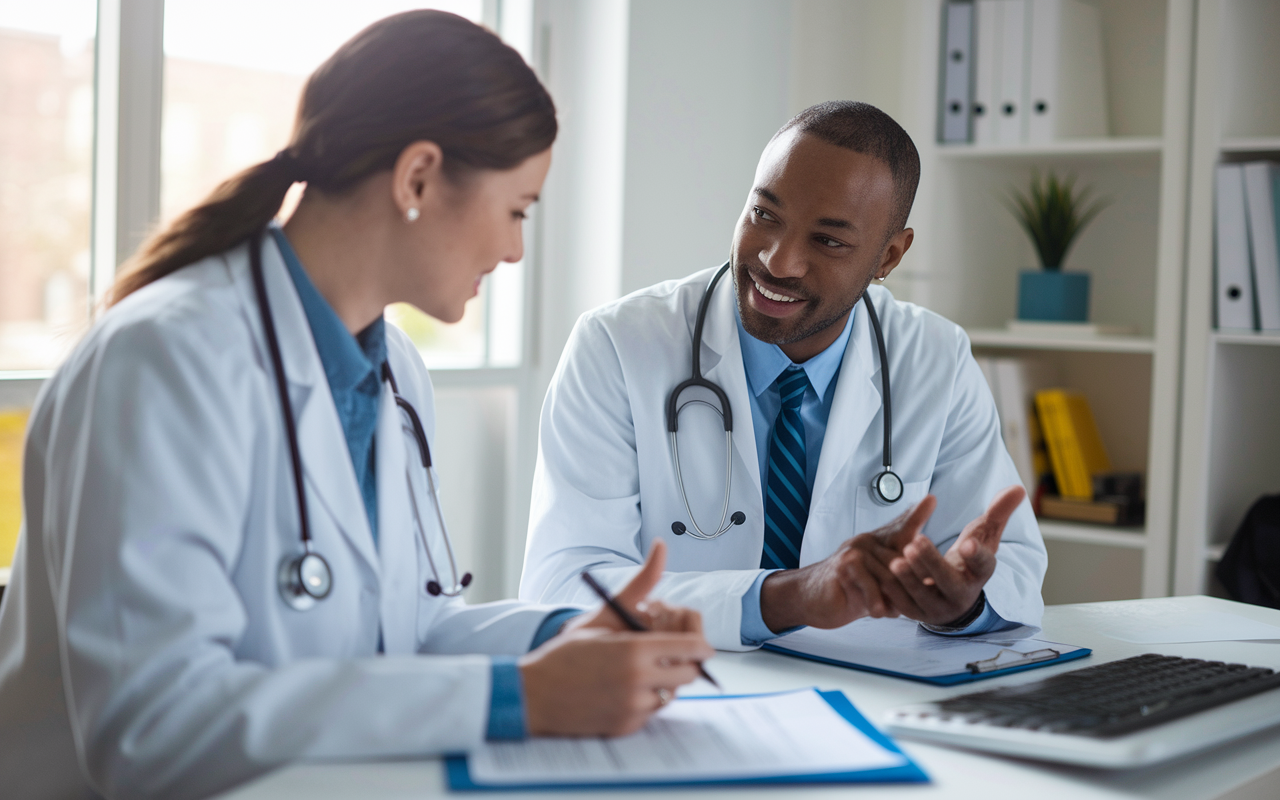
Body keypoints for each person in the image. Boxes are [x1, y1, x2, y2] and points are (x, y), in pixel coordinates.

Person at [0, 12, 712, 800]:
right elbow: (152, 727)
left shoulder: (395, 369)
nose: (514, 251)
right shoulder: (163, 358)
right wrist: (523, 698)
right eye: (517, 210)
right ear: (417, 178)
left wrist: (569, 639)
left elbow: (409, 632)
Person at [520, 101, 1047, 652]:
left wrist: (963, 604)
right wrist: (789, 597)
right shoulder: (619, 345)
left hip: (870, 694)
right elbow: (564, 583)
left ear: (889, 256)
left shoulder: (935, 356)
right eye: (764, 216)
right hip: (678, 690)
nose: (779, 261)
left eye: (828, 241)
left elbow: (1009, 568)